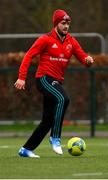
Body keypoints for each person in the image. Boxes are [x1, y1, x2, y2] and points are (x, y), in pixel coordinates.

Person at [14, 9, 94, 158]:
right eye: (63, 23)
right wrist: (21, 77)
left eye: (68, 23)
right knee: (63, 99)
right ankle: (55, 137)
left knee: (47, 121)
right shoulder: (45, 39)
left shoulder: (71, 41)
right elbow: (28, 56)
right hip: (44, 79)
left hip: (56, 82)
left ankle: (26, 149)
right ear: (56, 24)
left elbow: (83, 57)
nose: (66, 26)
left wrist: (88, 60)